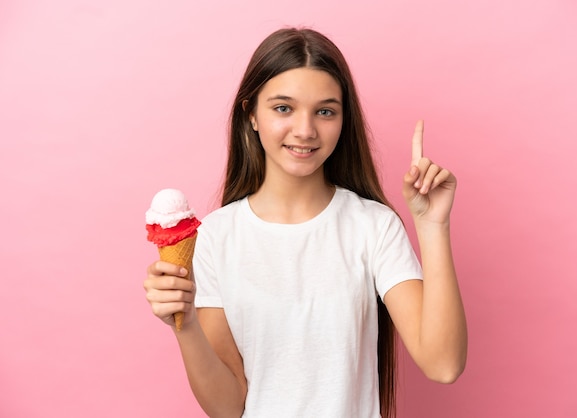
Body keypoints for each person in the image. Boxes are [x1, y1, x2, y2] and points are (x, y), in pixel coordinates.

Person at [144, 27, 467, 418]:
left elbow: (444, 364)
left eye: (325, 111)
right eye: (283, 108)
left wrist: (432, 225)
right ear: (252, 114)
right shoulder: (216, 237)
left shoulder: (372, 226)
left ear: (343, 119)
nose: (305, 130)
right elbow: (229, 408)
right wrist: (186, 322)